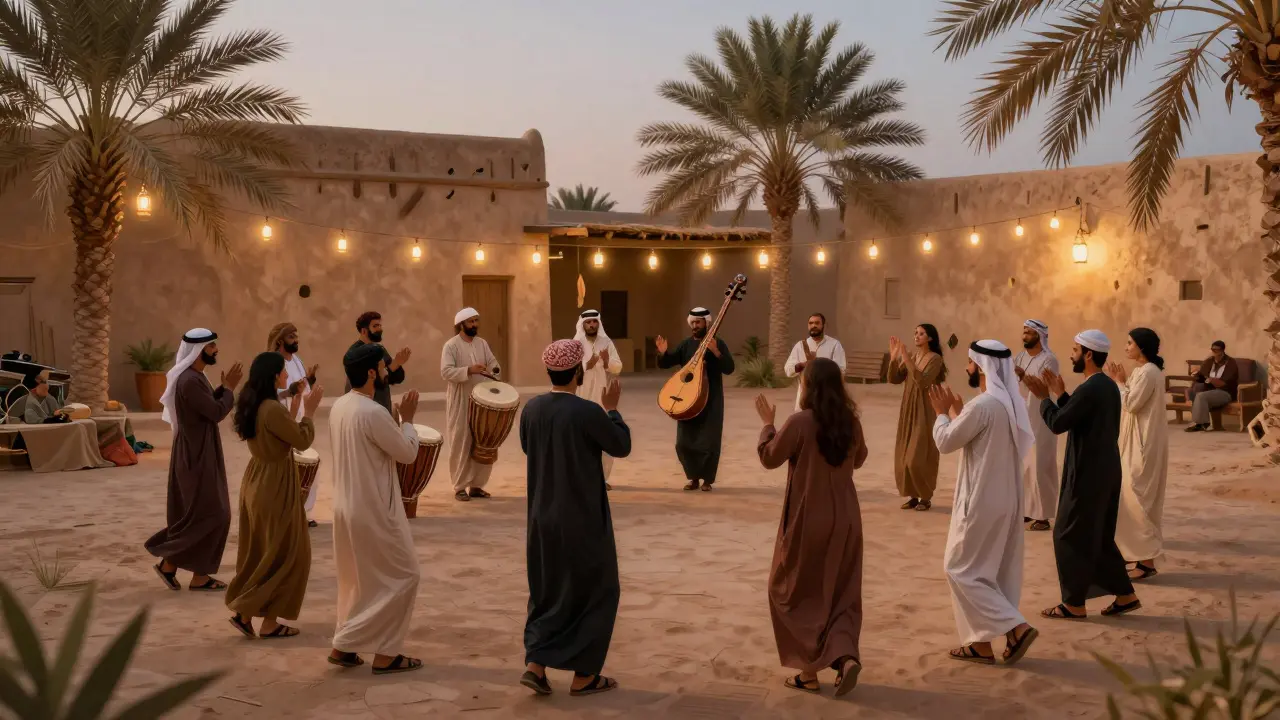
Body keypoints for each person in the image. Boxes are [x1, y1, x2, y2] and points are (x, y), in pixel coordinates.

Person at [518, 339, 631, 697]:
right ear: (578, 372)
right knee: (598, 589)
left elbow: (527, 446)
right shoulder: (587, 411)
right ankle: (584, 675)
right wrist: (612, 410)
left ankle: (536, 664)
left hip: (541, 518)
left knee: (546, 589)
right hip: (581, 518)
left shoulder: (531, 409)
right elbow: (621, 446)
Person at [755, 357, 867, 696]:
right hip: (847, 519)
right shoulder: (850, 422)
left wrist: (768, 425)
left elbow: (770, 456)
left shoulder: (800, 422)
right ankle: (844, 656)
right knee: (840, 592)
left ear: (810, 386)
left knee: (792, 590)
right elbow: (859, 458)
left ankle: (808, 672)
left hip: (809, 518)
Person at [929, 341, 1039, 666]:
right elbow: (974, 437)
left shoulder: (984, 406)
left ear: (980, 366)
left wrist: (939, 415)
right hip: (1006, 500)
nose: (967, 368)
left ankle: (1016, 627)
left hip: (981, 502)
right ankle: (979, 644)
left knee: (959, 569)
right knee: (988, 572)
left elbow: (946, 442)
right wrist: (955, 413)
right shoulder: (1007, 405)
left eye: (969, 363)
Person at [1023, 330, 1141, 620]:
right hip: (1104, 471)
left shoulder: (1092, 388)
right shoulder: (1104, 386)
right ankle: (1126, 595)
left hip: (1089, 474)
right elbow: (1078, 416)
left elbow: (1059, 423)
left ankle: (1074, 603)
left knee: (1067, 534)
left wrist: (1043, 398)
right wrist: (1062, 394)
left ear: (1088, 354)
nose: (1071, 354)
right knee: (1097, 536)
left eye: (1075, 350)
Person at [327, 343, 424, 674]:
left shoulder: (340, 406)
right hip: (375, 510)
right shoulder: (372, 412)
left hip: (345, 507)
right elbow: (407, 453)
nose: (387, 371)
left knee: (358, 580)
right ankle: (386, 654)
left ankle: (343, 646)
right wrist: (408, 421)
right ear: (371, 372)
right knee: (406, 575)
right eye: (383, 368)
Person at [225, 352, 324, 639]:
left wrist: (292, 411)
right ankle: (266, 621)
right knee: (290, 554)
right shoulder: (270, 408)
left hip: (257, 479)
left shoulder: (255, 404)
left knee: (265, 552)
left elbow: (279, 435)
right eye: (282, 372)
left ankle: (247, 615)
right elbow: (302, 441)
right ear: (272, 376)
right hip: (275, 485)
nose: (286, 376)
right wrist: (311, 412)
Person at [145, 329, 243, 592]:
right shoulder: (189, 380)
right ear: (199, 350)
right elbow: (215, 411)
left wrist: (222, 388)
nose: (215, 350)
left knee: (205, 514)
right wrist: (230, 390)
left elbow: (208, 404)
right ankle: (173, 562)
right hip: (195, 456)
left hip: (201, 451)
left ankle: (189, 572)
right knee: (215, 514)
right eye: (212, 347)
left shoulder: (196, 378)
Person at [1105, 329, 1169, 581]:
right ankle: (1133, 554)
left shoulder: (1150, 372)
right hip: (1133, 441)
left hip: (1143, 444)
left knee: (1137, 498)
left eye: (1130, 343)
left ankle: (1148, 561)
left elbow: (1131, 404)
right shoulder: (1141, 371)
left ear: (1142, 346)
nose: (1126, 346)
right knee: (1127, 498)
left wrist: (1118, 381)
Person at [656, 307, 735, 491]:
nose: (694, 325)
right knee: (683, 443)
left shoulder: (718, 343)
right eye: (692, 322)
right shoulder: (686, 345)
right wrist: (663, 353)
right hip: (687, 400)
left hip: (711, 398)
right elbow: (667, 362)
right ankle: (693, 478)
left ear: (707, 323)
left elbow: (729, 368)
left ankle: (707, 480)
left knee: (709, 442)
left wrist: (716, 352)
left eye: (698, 322)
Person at [441, 307, 502, 501]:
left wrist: (494, 369)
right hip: (461, 400)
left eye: (476, 321)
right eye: (471, 321)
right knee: (461, 441)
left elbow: (493, 362)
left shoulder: (481, 343)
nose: (475, 325)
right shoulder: (451, 346)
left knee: (483, 441)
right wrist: (469, 370)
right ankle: (459, 486)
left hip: (482, 400)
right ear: (461, 324)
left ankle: (477, 485)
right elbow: (446, 372)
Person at [888, 324, 947, 511]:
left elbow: (922, 382)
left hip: (925, 410)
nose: (916, 336)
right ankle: (913, 495)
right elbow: (894, 379)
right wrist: (894, 358)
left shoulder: (935, 359)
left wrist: (906, 358)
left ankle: (926, 496)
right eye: (915, 333)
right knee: (905, 455)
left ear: (930, 338)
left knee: (918, 455)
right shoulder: (913, 356)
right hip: (908, 408)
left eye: (921, 334)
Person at [269, 322, 321, 527]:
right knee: (285, 470)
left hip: (299, 420)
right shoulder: (273, 363)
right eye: (291, 337)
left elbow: (302, 388)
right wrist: (289, 392)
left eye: (296, 336)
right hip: (281, 419)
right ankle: (285, 513)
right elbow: (270, 393)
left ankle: (303, 512)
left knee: (310, 464)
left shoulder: (297, 360)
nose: (296, 340)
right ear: (280, 340)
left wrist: (310, 379)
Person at [1014, 320, 1061, 532]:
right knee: (1023, 467)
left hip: (1041, 419)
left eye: (1029, 332)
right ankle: (1026, 509)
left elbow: (1043, 387)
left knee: (1040, 466)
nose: (1025, 335)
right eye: (1024, 332)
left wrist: (1022, 375)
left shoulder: (1049, 360)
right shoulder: (1021, 357)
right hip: (1021, 418)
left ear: (1039, 336)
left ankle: (1043, 516)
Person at [574, 309, 623, 491]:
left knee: (603, 433)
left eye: (594, 322)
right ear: (583, 324)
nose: (592, 325)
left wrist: (608, 359)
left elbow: (617, 368)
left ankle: (602, 477)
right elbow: (572, 370)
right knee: (581, 436)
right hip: (582, 393)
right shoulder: (576, 343)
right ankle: (582, 477)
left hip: (601, 394)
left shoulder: (606, 341)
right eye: (588, 322)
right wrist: (589, 364)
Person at [345, 311, 410, 415]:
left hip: (382, 406)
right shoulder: (355, 353)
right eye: (375, 326)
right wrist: (393, 365)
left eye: (380, 325)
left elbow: (395, 378)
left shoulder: (379, 350)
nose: (379, 329)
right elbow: (371, 380)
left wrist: (397, 364)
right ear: (364, 331)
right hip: (365, 409)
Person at [783, 313, 847, 412]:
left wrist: (819, 367)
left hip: (827, 396)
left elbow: (841, 369)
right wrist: (802, 365)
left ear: (823, 326)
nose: (814, 326)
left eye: (817, 323)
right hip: (805, 395)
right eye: (811, 323)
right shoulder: (800, 346)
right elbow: (788, 370)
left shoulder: (834, 345)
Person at [1185, 340, 1239, 432]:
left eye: (1216, 350)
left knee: (1201, 396)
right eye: (1212, 350)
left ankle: (1201, 423)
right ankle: (1200, 422)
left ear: (1222, 351)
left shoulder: (1231, 363)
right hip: (1209, 391)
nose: (1214, 352)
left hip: (1225, 392)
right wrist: (1197, 374)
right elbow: (1202, 378)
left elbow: (1223, 383)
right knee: (1194, 391)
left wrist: (1209, 379)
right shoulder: (1209, 361)